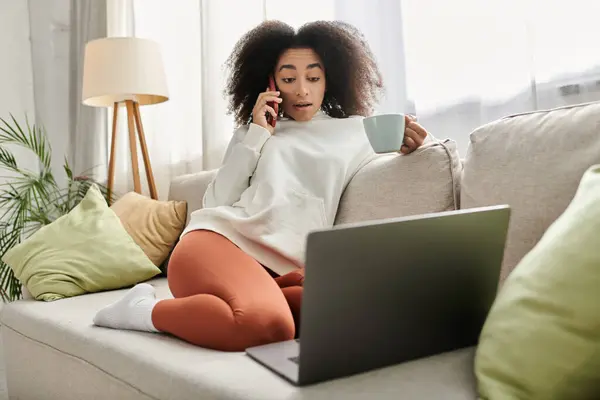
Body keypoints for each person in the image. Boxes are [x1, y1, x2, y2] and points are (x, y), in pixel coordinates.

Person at [93, 20, 430, 351]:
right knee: (271, 325)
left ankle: (253, 303)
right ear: (271, 81)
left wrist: (412, 140)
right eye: (288, 78)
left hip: (277, 273)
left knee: (349, 310)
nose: (301, 90)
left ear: (330, 79)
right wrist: (257, 134)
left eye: (313, 77)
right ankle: (140, 310)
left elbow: (400, 157)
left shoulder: (357, 131)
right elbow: (215, 202)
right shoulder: (254, 132)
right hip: (216, 245)